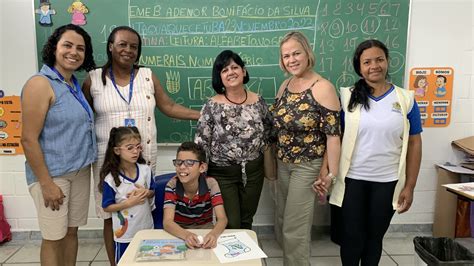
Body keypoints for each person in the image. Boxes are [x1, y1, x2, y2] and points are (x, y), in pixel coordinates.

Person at [82, 25, 200, 265]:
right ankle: (117, 262)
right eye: (122, 44)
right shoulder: (94, 79)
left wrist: (204, 114)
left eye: (134, 46)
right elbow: (81, 116)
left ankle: (144, 260)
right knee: (111, 214)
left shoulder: (147, 75)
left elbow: (169, 107)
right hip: (109, 161)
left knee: (145, 210)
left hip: (143, 159)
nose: (128, 50)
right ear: (110, 47)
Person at [328, 39, 422, 266]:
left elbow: (415, 143)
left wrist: (410, 186)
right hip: (352, 180)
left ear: (387, 61)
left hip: (387, 182)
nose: (374, 66)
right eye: (367, 62)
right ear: (359, 67)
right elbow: (334, 139)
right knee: (352, 238)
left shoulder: (405, 99)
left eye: (379, 59)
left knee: (374, 238)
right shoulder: (347, 97)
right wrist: (327, 173)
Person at [21, 24, 96, 266]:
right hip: (53, 176)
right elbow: (28, 139)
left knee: (72, 233)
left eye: (80, 48)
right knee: (53, 237)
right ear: (54, 48)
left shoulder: (74, 85)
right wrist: (46, 183)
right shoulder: (40, 84)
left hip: (80, 171)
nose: (74, 52)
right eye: (67, 45)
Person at [271, 31, 341, 266]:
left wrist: (330, 173)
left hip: (307, 166)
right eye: (286, 55)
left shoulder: (323, 88)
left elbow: (333, 136)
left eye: (296, 53)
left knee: (295, 227)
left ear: (307, 53)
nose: (291, 60)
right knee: (282, 221)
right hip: (283, 163)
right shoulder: (285, 85)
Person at [194, 50, 273, 230]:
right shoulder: (211, 105)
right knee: (231, 223)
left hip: (254, 172)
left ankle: (245, 257)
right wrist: (199, 175)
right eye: (224, 70)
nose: (230, 72)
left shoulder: (258, 101)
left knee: (246, 221)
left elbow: (269, 131)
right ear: (219, 77)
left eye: (234, 67)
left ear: (243, 71)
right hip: (222, 174)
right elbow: (201, 143)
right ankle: (232, 257)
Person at [100, 126, 155, 264]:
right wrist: (128, 203)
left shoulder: (145, 170)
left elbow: (153, 191)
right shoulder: (111, 179)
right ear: (117, 151)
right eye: (130, 148)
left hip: (146, 229)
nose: (135, 151)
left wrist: (146, 192)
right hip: (125, 235)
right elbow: (107, 207)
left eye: (138, 147)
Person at [163, 142, 227, 249]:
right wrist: (186, 235)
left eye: (189, 163)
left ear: (202, 167)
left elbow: (222, 219)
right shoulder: (172, 185)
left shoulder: (211, 184)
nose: (182, 167)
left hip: (206, 231)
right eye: (179, 162)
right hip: (180, 232)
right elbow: (167, 222)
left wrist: (214, 234)